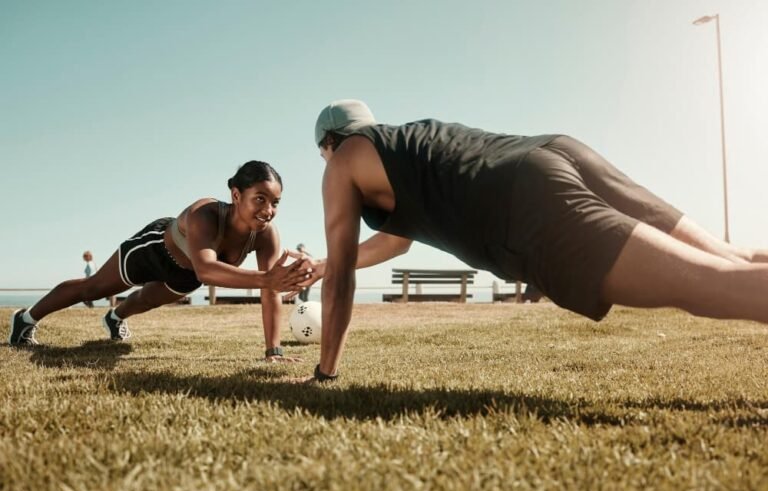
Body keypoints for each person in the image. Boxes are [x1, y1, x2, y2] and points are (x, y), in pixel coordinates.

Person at [304, 98, 768, 382]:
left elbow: (342, 279)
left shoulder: (343, 161)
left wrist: (326, 372)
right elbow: (394, 243)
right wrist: (325, 264)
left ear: (328, 143)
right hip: (555, 150)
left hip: (524, 199)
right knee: (732, 257)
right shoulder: (401, 151)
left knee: (708, 284)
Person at [9, 161, 312, 362]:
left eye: (275, 202)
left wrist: (274, 351)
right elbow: (207, 269)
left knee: (146, 301)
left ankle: (114, 319)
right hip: (154, 251)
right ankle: (26, 319)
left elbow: (270, 290)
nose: (268, 210)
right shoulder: (205, 213)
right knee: (94, 288)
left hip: (185, 274)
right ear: (236, 195)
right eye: (260, 199)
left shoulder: (266, 235)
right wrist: (266, 279)